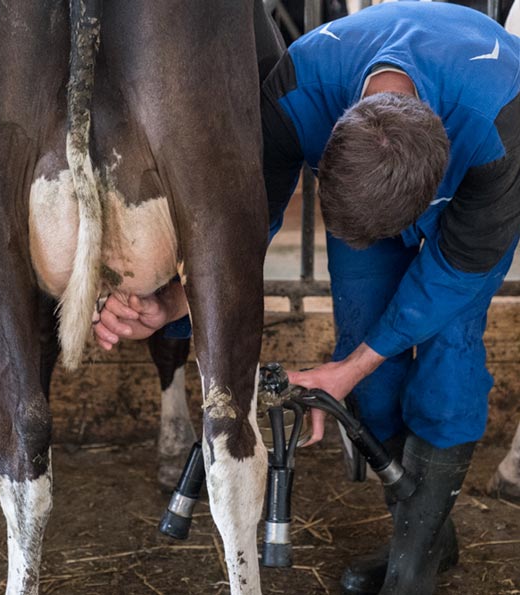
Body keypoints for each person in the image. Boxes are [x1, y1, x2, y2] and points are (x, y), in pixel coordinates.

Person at [93, 2, 520, 593]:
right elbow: (249, 220)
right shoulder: (299, 88)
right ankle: (429, 538)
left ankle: (413, 567)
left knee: (450, 357)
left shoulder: (501, 120)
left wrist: (348, 367)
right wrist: (172, 302)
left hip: (472, 194)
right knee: (367, 369)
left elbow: (456, 271)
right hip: (371, 168)